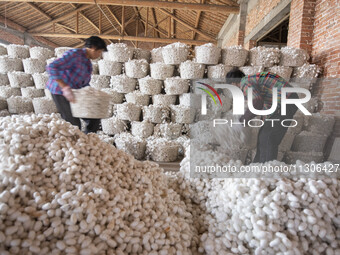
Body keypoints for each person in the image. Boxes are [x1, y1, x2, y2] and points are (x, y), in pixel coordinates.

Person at [226, 68, 299, 163]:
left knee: (268, 136)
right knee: (262, 135)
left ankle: (267, 171)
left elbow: (257, 102)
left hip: (286, 100)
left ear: (234, 83)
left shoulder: (245, 82)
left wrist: (242, 121)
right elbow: (261, 105)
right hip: (283, 102)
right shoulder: (252, 81)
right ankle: (257, 167)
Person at [46, 36, 107, 134]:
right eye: (99, 52)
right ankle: (73, 144)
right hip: (60, 91)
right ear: (93, 48)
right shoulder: (74, 55)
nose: (99, 55)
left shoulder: (87, 63)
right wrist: (65, 87)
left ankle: (87, 140)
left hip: (75, 93)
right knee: (73, 124)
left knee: (94, 117)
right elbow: (52, 67)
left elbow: (84, 83)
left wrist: (92, 94)